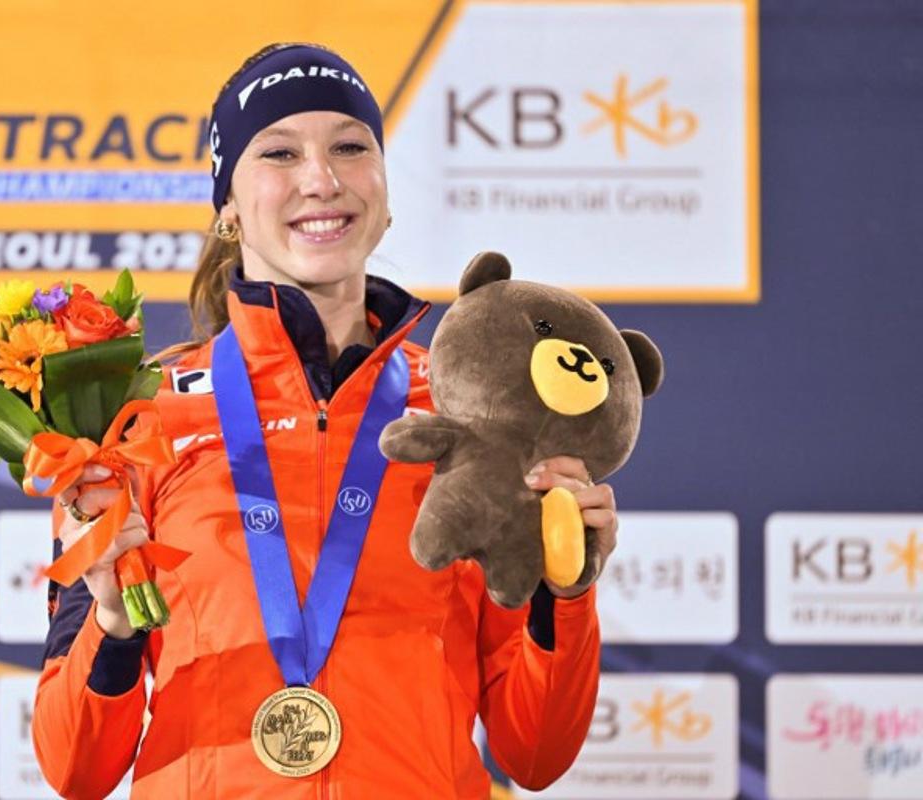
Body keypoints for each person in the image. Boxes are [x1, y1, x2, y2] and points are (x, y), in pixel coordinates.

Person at [33, 43, 617, 800]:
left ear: (384, 188)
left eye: (350, 146)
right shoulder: (135, 423)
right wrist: (111, 625)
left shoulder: (476, 418)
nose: (322, 179)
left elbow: (534, 752)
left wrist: (565, 592)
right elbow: (75, 770)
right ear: (230, 209)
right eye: (279, 152)